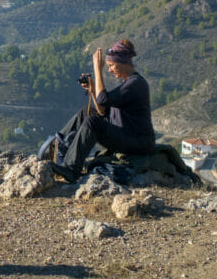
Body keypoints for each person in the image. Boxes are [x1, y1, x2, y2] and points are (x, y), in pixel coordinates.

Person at [51, 40, 155, 183]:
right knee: (85, 114)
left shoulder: (136, 84)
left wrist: (97, 69)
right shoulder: (127, 84)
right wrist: (92, 90)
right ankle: (57, 150)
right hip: (127, 135)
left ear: (123, 62)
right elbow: (102, 111)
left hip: (138, 141)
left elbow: (103, 100)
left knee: (93, 122)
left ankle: (71, 169)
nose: (110, 70)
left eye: (112, 65)